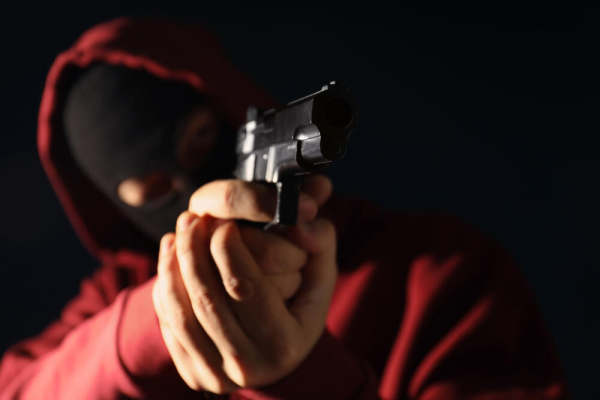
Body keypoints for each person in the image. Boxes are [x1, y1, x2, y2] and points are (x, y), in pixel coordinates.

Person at [0, 17, 569, 400]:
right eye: (153, 193)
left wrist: (307, 380)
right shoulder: (115, 293)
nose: (195, 185)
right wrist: (158, 321)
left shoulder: (441, 273)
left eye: (203, 138)